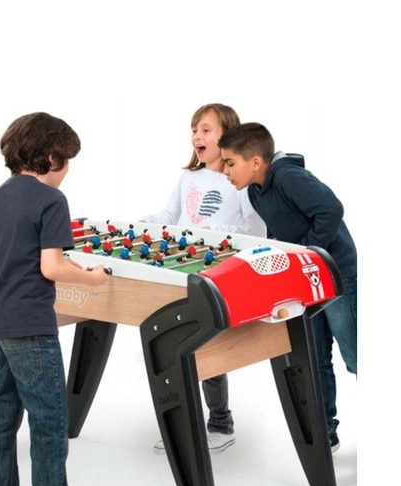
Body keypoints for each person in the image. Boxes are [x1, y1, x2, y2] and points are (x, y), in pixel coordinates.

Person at [0, 112, 108, 486]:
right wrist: (91, 277)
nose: (67, 170)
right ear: (50, 158)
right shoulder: (51, 201)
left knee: (2, 418)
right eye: (67, 160)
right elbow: (52, 267)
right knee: (49, 425)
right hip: (30, 328)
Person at [218, 122, 357, 452]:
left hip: (336, 276)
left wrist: (307, 251)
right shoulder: (255, 190)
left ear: (255, 162)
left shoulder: (288, 177)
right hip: (307, 281)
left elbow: (331, 209)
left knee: (355, 355)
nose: (225, 171)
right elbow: (280, 232)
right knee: (316, 357)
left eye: (230, 162)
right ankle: (326, 431)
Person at [140, 103, 266, 455]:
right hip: (180, 270)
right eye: (194, 130)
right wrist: (147, 222)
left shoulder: (238, 181)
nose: (197, 135)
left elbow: (255, 228)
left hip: (216, 275)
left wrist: (218, 235)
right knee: (173, 346)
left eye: (206, 130)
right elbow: (170, 215)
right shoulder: (189, 178)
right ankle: (182, 424)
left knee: (206, 348)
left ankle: (220, 424)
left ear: (228, 137)